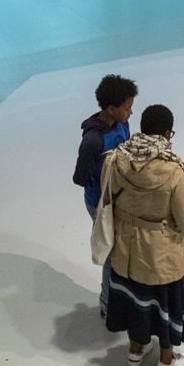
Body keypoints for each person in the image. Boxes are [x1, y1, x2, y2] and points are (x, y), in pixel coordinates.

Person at [102, 105, 184, 366]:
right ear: (167, 133)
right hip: (161, 254)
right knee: (163, 304)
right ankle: (167, 360)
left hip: (126, 250)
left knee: (135, 300)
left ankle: (135, 349)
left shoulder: (116, 158)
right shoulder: (174, 170)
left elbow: (108, 198)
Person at [73, 74, 136, 316]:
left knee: (121, 249)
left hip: (119, 198)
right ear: (111, 109)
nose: (131, 112)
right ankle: (108, 303)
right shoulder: (92, 141)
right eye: (127, 108)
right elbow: (79, 177)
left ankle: (120, 295)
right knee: (110, 253)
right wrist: (104, 175)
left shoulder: (122, 125)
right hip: (100, 204)